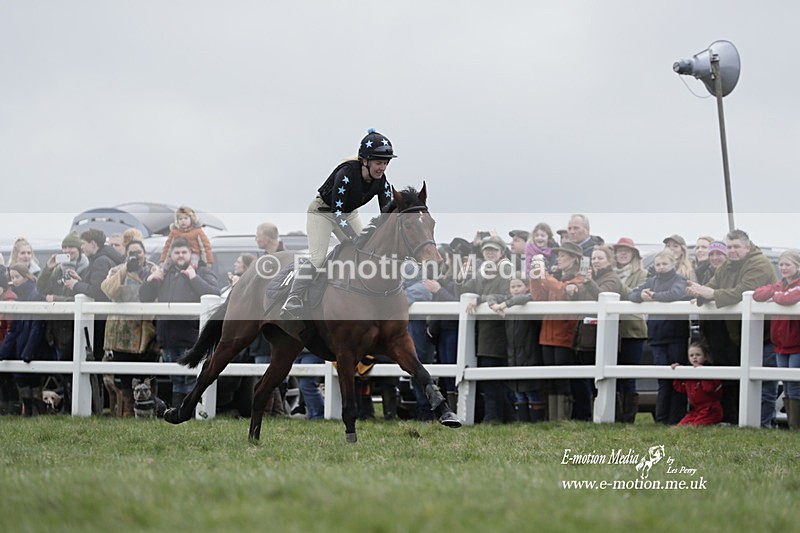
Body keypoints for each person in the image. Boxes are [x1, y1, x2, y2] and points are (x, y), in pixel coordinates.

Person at [281, 129, 396, 319]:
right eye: (378, 163)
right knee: (318, 258)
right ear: (365, 161)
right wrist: (354, 238)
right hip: (323, 213)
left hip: (348, 213)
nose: (382, 168)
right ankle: (293, 297)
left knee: (366, 250)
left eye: (385, 163)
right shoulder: (346, 174)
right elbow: (336, 212)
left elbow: (386, 214)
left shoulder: (382, 182)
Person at [686, 229, 777, 425]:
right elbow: (710, 286)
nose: (732, 251)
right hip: (737, 334)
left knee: (763, 383)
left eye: (736, 247)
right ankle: (738, 420)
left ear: (748, 246)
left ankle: (763, 425)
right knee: (736, 379)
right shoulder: (726, 265)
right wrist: (700, 294)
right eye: (729, 247)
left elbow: (744, 291)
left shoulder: (759, 264)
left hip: (764, 335)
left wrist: (711, 294)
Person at [139, 238, 219, 408]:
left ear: (191, 254)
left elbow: (214, 293)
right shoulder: (164, 273)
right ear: (171, 255)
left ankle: (191, 413)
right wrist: (150, 280)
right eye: (177, 252)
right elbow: (144, 297)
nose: (180, 256)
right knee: (176, 379)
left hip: (193, 336)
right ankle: (178, 413)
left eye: (184, 252)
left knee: (191, 378)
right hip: (168, 336)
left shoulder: (202, 271)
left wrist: (194, 278)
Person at [455, 235, 514, 423]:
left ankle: (495, 417)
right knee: (488, 379)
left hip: (498, 333)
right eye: (487, 250)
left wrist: (480, 299)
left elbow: (505, 294)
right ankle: (497, 417)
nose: (490, 253)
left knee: (494, 379)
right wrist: (460, 278)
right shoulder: (480, 274)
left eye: (494, 250)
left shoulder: (506, 271)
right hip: (482, 335)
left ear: (501, 253)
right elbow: (462, 295)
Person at [629, 250, 689, 425]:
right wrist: (641, 296)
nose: (661, 268)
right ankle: (662, 420)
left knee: (677, 381)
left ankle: (676, 419)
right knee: (663, 380)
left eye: (664, 264)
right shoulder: (651, 281)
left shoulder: (679, 280)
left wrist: (653, 296)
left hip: (676, 336)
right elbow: (632, 294)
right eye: (658, 265)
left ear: (673, 265)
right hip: (656, 336)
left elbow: (675, 294)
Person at [101, 239, 159, 417]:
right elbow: (107, 290)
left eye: (139, 252)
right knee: (126, 374)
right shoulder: (117, 270)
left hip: (147, 331)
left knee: (150, 371)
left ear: (145, 253)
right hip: (123, 333)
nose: (136, 256)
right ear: (126, 255)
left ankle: (151, 409)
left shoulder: (154, 270)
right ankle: (128, 411)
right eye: (131, 253)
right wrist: (125, 269)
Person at [566, 245, 624, 421]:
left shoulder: (612, 279)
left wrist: (588, 282)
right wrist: (572, 291)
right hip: (584, 336)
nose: (596, 261)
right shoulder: (587, 279)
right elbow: (584, 301)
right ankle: (584, 415)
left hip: (601, 336)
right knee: (583, 379)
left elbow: (603, 297)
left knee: (601, 381)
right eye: (594, 258)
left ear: (609, 260)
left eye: (600, 258)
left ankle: (610, 416)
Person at [529, 241, 584, 421]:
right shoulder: (555, 277)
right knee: (550, 378)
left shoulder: (577, 279)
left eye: (563, 256)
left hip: (564, 334)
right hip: (548, 334)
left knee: (561, 378)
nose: (559, 259)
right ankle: (554, 418)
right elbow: (539, 297)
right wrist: (534, 278)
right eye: (558, 255)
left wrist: (543, 275)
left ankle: (562, 418)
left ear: (574, 259)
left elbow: (561, 292)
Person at [753, 249, 800, 430]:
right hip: (780, 344)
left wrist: (776, 297)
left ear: (797, 266)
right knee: (787, 385)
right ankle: (792, 425)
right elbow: (758, 294)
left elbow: (792, 297)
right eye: (781, 264)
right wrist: (775, 294)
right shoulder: (779, 285)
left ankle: (796, 427)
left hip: (796, 344)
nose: (783, 268)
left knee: (795, 385)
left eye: (788, 264)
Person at [488, 274, 544, 422]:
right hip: (513, 353)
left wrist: (505, 305)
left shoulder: (529, 299)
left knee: (532, 391)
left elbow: (525, 298)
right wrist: (494, 305)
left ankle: (536, 422)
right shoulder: (508, 300)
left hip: (530, 352)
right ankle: (522, 422)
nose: (516, 289)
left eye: (519, 286)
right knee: (518, 392)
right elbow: (491, 296)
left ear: (526, 286)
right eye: (512, 286)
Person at [0, 264, 55, 415]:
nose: (15, 280)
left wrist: (28, 350)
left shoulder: (34, 294)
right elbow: (14, 329)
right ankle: (29, 411)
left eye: (17, 276)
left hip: (32, 345)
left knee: (33, 381)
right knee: (23, 380)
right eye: (12, 277)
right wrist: (4, 350)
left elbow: (37, 327)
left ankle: (37, 410)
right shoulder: (20, 297)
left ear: (26, 276)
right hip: (22, 344)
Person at [65, 228, 124, 363]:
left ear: (93, 244)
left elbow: (97, 291)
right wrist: (80, 280)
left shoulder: (100, 261)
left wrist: (75, 285)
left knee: (94, 356)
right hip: (103, 317)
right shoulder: (104, 258)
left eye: (83, 244)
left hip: (99, 318)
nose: (82, 248)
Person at [36, 231, 91, 363]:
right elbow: (41, 288)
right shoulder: (58, 269)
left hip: (77, 324)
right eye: (64, 247)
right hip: (57, 324)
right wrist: (48, 269)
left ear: (79, 249)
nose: (67, 251)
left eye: (70, 247)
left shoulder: (87, 268)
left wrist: (56, 299)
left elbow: (86, 296)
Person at [612, 237, 648, 422]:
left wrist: (615, 283)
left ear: (634, 254)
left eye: (626, 251)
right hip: (611, 331)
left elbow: (634, 295)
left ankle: (627, 419)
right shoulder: (610, 272)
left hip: (632, 331)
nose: (623, 254)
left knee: (628, 377)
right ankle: (614, 416)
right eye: (619, 250)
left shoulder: (642, 274)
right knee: (612, 376)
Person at [670, 342, 723, 426]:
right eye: (691, 355)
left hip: (711, 410)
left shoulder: (711, 372)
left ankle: (720, 424)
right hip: (696, 410)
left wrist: (702, 372)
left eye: (698, 355)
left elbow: (708, 388)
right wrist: (677, 371)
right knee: (680, 426)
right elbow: (680, 388)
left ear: (705, 357)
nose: (694, 357)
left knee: (696, 426)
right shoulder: (690, 373)